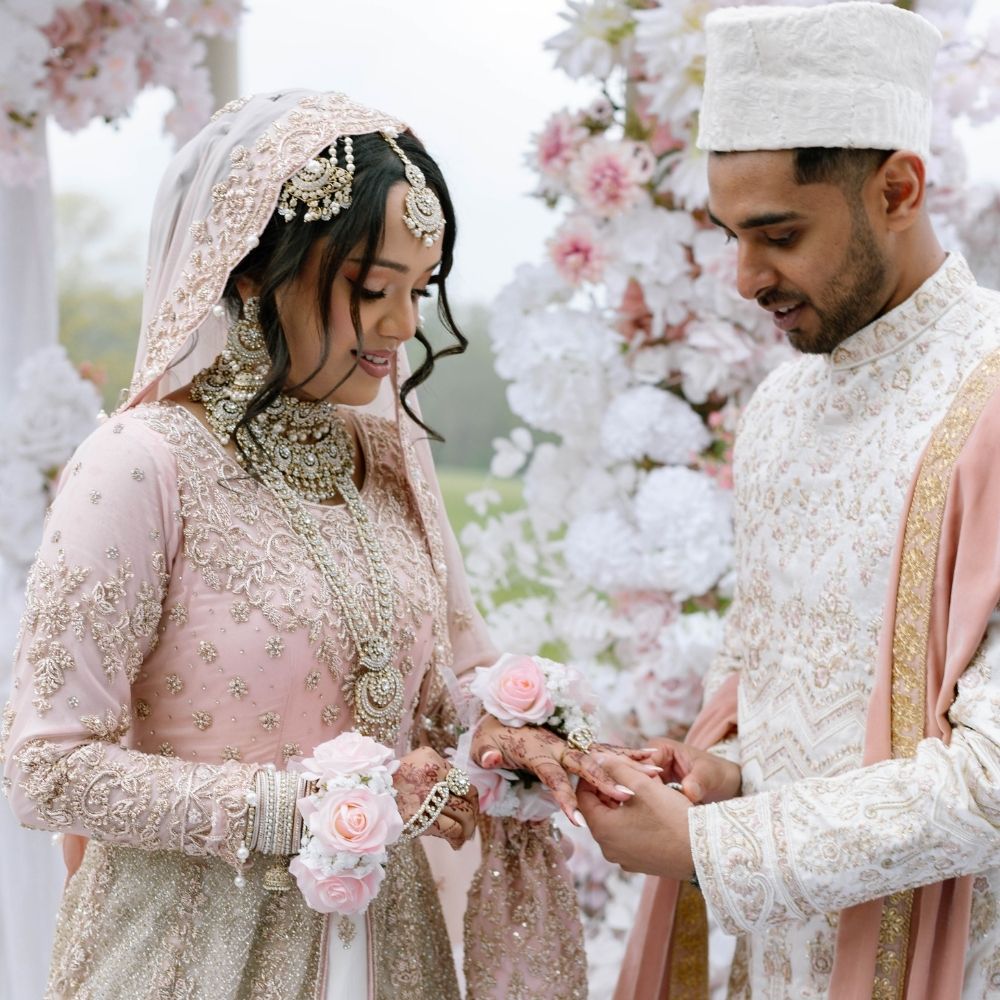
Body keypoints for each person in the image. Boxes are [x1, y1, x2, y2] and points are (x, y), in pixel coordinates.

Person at [0, 90, 629, 999]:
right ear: (252, 269)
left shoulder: (384, 456)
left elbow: (441, 676)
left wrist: (502, 731)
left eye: (418, 290)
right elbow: (45, 768)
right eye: (374, 289)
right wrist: (310, 809)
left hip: (392, 955)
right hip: (191, 960)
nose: (403, 326)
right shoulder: (141, 467)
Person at [577, 4, 1000, 998]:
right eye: (731, 234)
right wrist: (713, 771)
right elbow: (764, 669)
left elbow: (991, 779)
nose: (743, 276)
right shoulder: (778, 406)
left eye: (778, 234)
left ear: (898, 187)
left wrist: (711, 850)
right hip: (775, 963)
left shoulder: (991, 393)